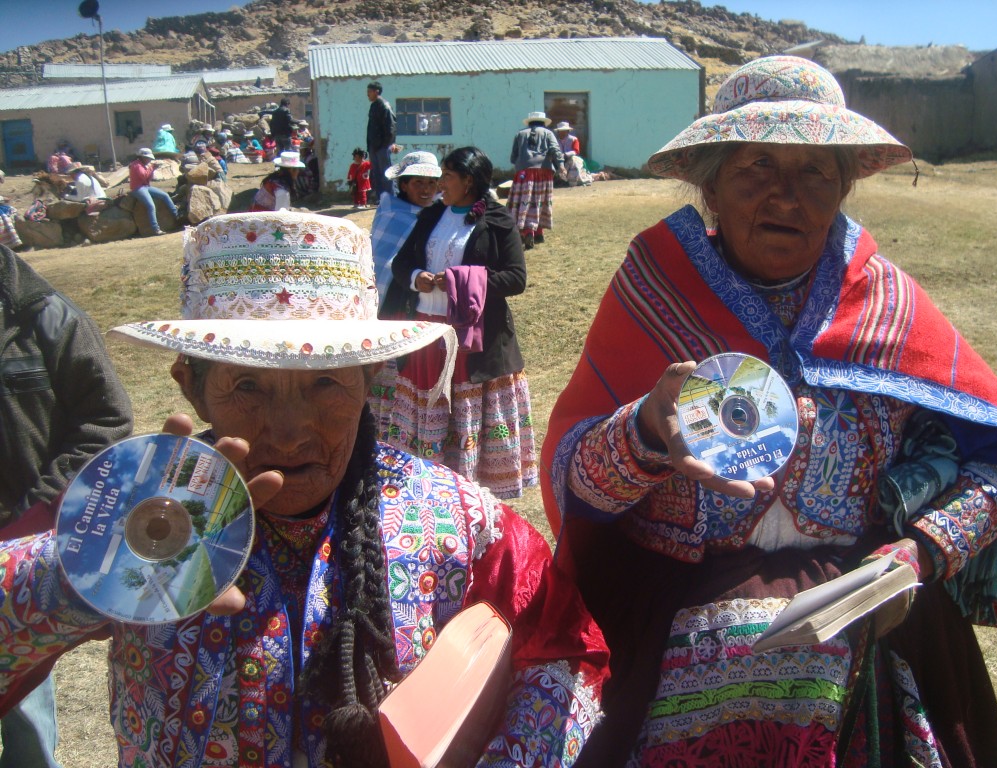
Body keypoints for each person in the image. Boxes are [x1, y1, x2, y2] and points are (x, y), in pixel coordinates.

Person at [541, 54, 997, 767]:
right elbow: (573, 483)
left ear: (844, 187)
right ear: (711, 183)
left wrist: (920, 551)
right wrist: (643, 435)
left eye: (814, 173)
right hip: (668, 607)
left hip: (863, 610)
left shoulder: (887, 306)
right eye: (756, 168)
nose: (787, 197)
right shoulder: (654, 292)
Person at [0, 210, 609, 768]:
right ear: (190, 384)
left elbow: (566, 652)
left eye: (324, 384)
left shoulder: (460, 521)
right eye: (247, 387)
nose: (290, 435)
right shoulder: (139, 524)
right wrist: (79, 571)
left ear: (371, 379)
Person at [0, 243, 133, 768]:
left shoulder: (43, 315)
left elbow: (105, 421)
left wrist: (31, 514)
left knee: (26, 723)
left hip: (17, 542)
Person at [379, 147, 538, 499]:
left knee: (461, 410)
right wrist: (417, 276)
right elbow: (401, 263)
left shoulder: (496, 221)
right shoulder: (432, 215)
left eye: (447, 175)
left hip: (469, 339)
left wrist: (457, 281)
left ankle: (465, 488)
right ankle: (423, 482)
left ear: (468, 181)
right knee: (430, 406)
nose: (439, 183)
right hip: (427, 333)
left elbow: (515, 278)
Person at [369, 150, 442, 301]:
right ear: (404, 185)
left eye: (431, 183)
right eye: (418, 182)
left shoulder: (438, 216)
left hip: (419, 291)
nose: (426, 190)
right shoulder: (389, 212)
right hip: (392, 293)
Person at [507, 110, 564, 249]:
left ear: (529, 122)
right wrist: (561, 165)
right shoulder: (548, 133)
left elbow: (513, 158)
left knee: (524, 201)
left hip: (524, 172)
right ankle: (537, 232)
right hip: (544, 172)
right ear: (544, 122)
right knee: (539, 201)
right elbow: (555, 150)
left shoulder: (520, 134)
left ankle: (528, 232)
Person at [128, 148, 178, 237]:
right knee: (151, 206)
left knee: (165, 195)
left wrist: (152, 169)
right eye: (148, 158)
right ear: (142, 157)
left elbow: (148, 178)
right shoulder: (136, 165)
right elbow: (143, 176)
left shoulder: (143, 165)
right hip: (138, 188)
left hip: (146, 186)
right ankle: (156, 229)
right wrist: (152, 168)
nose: (149, 160)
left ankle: (177, 215)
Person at [366, 81, 397, 202]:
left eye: (369, 92)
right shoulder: (374, 106)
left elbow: (391, 126)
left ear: (376, 92)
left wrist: (388, 144)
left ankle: (391, 199)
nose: (367, 94)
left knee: (386, 174)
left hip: (383, 147)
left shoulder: (384, 106)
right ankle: (381, 199)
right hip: (374, 146)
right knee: (376, 174)